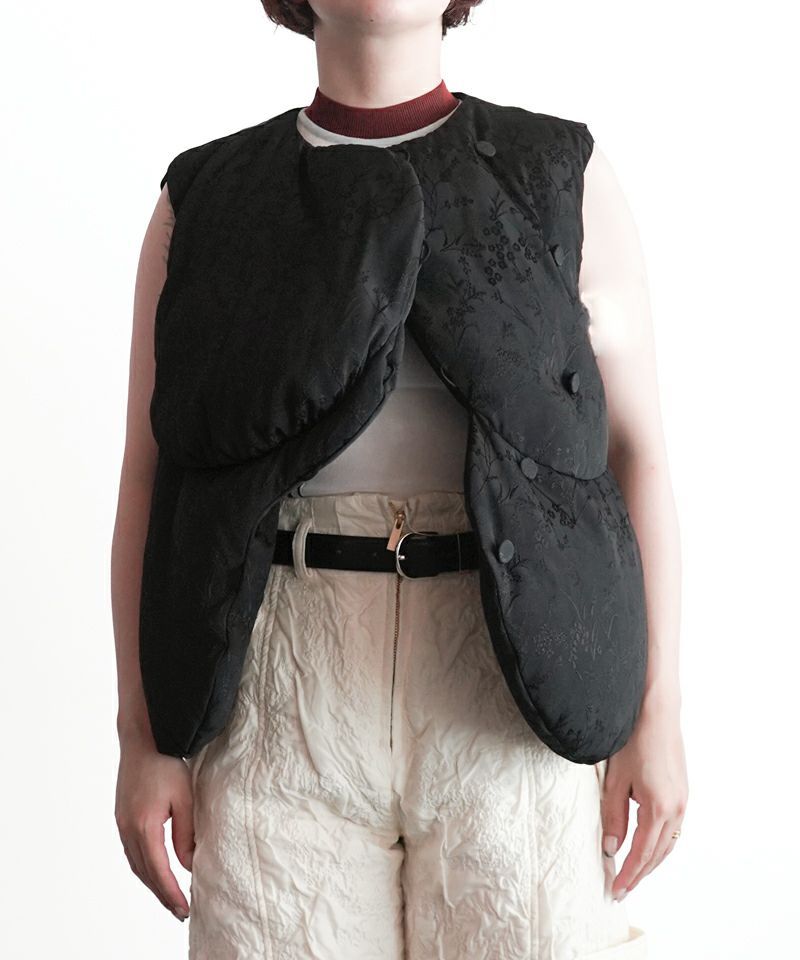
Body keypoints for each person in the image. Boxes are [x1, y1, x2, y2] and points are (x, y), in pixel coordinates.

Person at [111, 2, 688, 957]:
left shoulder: (560, 173)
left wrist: (657, 715)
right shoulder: (204, 198)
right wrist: (142, 737)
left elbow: (637, 455)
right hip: (279, 694)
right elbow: (150, 476)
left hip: (516, 682)